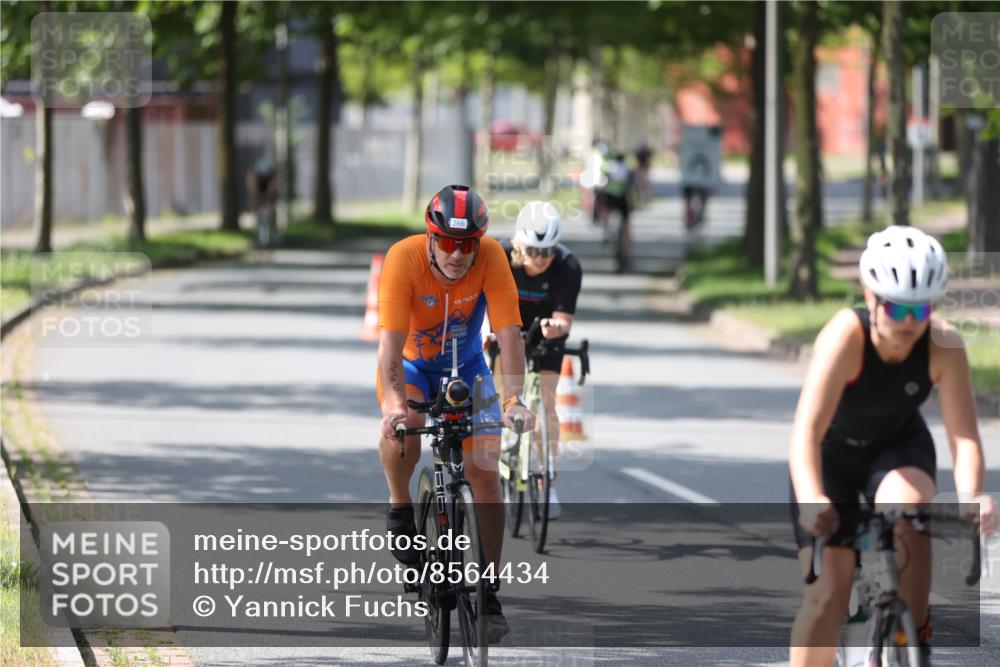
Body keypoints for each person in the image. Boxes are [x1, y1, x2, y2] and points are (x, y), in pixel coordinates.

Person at [788, 225, 997, 665]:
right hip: (830, 456)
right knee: (827, 596)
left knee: (911, 508)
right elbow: (806, 430)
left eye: (920, 311)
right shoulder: (845, 336)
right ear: (870, 296)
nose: (908, 323)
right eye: (897, 308)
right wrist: (811, 498)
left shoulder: (944, 345)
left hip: (897, 447)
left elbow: (963, 437)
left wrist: (972, 494)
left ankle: (911, 637)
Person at [375, 184, 536, 644]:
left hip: (468, 367)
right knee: (406, 427)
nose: (457, 254)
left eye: (467, 245)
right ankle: (400, 505)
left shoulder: (491, 257)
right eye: (447, 242)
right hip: (411, 366)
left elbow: (509, 335)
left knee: (485, 473)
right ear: (430, 238)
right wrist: (394, 405)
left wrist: (513, 401)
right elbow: (389, 346)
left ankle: (488, 592)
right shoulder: (403, 258)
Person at [498, 201, 584, 519]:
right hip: (506, 331)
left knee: (546, 405)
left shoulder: (568, 266)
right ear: (518, 244)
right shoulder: (500, 256)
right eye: (533, 251)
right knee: (503, 395)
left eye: (547, 251)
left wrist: (555, 328)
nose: (540, 258)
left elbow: (565, 320)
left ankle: (546, 480)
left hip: (546, 334)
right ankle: (501, 453)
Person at [246, 157, 278, 245]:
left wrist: (270, 196)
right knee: (255, 204)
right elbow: (252, 188)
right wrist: (256, 198)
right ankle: (256, 229)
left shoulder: (273, 174)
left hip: (268, 188)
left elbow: (273, 187)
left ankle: (274, 228)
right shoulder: (253, 173)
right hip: (258, 188)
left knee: (273, 207)